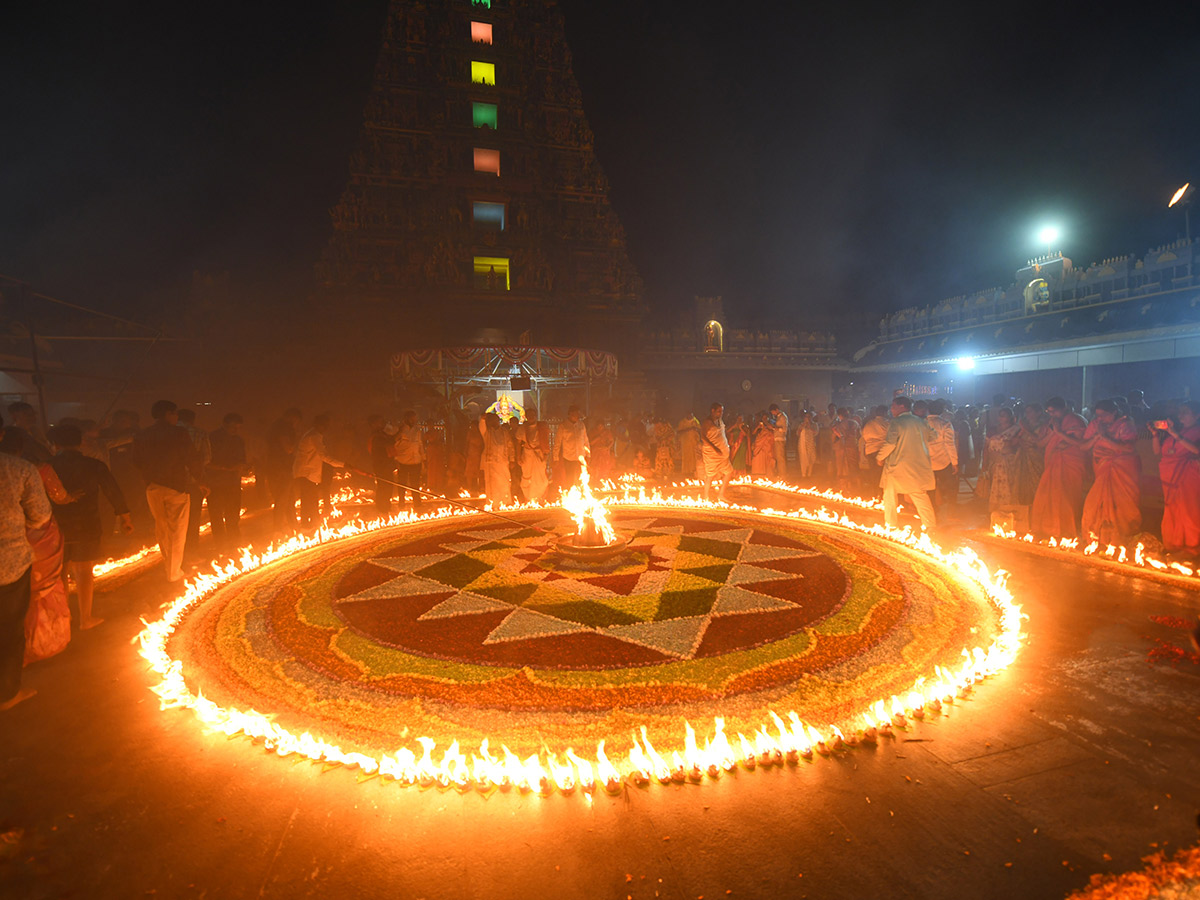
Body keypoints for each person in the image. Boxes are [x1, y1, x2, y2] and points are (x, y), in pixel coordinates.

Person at [48, 424, 133, 632]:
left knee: (61, 573)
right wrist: (125, 517)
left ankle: (63, 618)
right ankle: (85, 618)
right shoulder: (94, 464)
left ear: (55, 444)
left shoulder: (47, 466)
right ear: (80, 443)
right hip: (87, 523)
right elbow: (112, 490)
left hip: (56, 525)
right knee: (84, 571)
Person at [0, 415, 52, 711]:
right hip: (8, 564)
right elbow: (40, 515)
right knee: (7, 630)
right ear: (2, 434)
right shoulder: (18, 469)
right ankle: (7, 695)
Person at [132, 400, 198, 584]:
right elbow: (191, 457)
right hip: (175, 486)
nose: (177, 417)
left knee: (161, 528)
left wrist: (148, 477)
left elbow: (136, 461)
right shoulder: (179, 433)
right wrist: (200, 479)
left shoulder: (142, 435)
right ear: (167, 414)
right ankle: (174, 572)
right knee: (177, 530)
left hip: (153, 487)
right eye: (175, 413)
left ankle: (169, 565)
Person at [1081, 398, 1142, 544]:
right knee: (1094, 503)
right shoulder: (1096, 424)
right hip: (1102, 469)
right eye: (1098, 415)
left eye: (1103, 415)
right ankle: (1099, 537)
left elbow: (1129, 448)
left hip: (1123, 469)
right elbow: (1084, 446)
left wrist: (1104, 437)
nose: (1100, 418)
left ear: (1114, 412)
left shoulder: (1125, 424)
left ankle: (1122, 539)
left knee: (1123, 505)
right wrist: (1097, 435)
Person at [1030, 398, 1089, 539]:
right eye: (1049, 412)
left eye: (1054, 411)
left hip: (1071, 462)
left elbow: (1081, 442)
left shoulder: (1076, 420)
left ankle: (1068, 530)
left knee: (1067, 496)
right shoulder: (1051, 423)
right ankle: (1050, 528)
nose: (1052, 414)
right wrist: (1054, 432)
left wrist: (1061, 435)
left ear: (1064, 408)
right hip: (1054, 461)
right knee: (1048, 493)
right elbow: (1041, 443)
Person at [877, 396, 936, 530]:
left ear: (902, 406)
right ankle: (930, 526)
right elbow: (934, 436)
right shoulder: (921, 422)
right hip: (919, 465)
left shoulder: (897, 422)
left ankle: (891, 525)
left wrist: (880, 457)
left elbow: (890, 443)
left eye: (893, 406)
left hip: (898, 466)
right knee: (919, 495)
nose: (891, 409)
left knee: (890, 494)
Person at [1153, 402, 1200, 555]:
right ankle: (1173, 545)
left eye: (1185, 412)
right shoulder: (1176, 431)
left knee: (1189, 512)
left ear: (1197, 415)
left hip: (1189, 477)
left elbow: (1196, 451)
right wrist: (1155, 435)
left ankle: (1192, 548)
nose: (1180, 416)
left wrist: (1175, 435)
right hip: (1170, 479)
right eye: (1179, 412)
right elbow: (1157, 452)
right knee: (1172, 512)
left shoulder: (1196, 432)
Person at [293, 413, 344, 530]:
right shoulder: (313, 436)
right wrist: (343, 465)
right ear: (320, 425)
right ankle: (308, 525)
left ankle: (311, 523)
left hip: (308, 473)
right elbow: (324, 456)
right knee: (308, 500)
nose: (326, 427)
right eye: (325, 425)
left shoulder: (314, 435)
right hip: (306, 473)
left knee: (310, 499)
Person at [207, 413, 247, 553]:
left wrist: (241, 467)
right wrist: (225, 467)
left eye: (238, 428)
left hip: (233, 482)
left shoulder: (239, 440)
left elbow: (243, 459)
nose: (235, 430)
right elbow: (206, 462)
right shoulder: (212, 439)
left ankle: (234, 543)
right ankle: (221, 546)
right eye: (233, 427)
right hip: (215, 482)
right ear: (224, 424)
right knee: (217, 515)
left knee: (232, 515)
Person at [176, 409, 211, 562]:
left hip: (172, 483)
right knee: (193, 518)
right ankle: (191, 553)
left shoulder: (168, 433)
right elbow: (207, 458)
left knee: (175, 520)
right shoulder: (200, 433)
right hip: (194, 482)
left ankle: (175, 556)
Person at [984, 408, 1022, 530]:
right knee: (994, 487)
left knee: (1009, 488)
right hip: (995, 461)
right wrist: (986, 462)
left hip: (1009, 462)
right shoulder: (993, 430)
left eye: (1004, 416)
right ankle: (995, 514)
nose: (1001, 418)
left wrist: (1006, 451)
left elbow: (1017, 446)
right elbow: (986, 446)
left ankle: (1008, 514)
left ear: (1011, 417)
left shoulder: (1016, 430)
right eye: (1000, 416)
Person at [266, 408, 302, 534]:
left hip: (276, 467)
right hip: (281, 468)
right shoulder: (285, 427)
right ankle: (278, 529)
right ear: (294, 418)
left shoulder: (276, 426)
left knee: (288, 498)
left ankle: (292, 526)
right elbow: (288, 449)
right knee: (282, 499)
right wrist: (296, 438)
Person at [925, 400, 958, 512]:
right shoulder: (946, 424)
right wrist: (955, 462)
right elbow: (949, 444)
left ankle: (932, 512)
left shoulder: (920, 423)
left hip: (926, 463)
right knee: (949, 488)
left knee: (930, 490)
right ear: (942, 411)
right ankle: (951, 510)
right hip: (944, 461)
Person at [699, 402, 734, 502]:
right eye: (719, 411)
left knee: (729, 472)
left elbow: (722, 433)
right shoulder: (707, 422)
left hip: (722, 454)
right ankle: (705, 497)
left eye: (722, 411)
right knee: (710, 475)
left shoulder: (719, 420)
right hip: (712, 454)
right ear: (712, 411)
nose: (721, 413)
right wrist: (715, 449)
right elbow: (703, 437)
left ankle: (721, 495)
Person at [516, 406, 550, 503]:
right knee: (527, 476)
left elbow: (546, 442)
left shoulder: (542, 427)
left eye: (533, 415)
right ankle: (528, 498)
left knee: (541, 477)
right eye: (529, 415)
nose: (531, 417)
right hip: (527, 454)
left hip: (539, 454)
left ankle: (540, 498)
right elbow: (518, 443)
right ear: (526, 417)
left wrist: (546, 454)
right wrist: (518, 456)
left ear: (536, 416)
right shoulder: (522, 429)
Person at [394, 410, 426, 509]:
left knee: (415, 484)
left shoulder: (417, 430)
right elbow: (395, 444)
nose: (414, 420)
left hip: (416, 460)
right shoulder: (401, 429)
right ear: (407, 418)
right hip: (403, 460)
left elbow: (420, 444)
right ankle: (401, 503)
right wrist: (396, 459)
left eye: (415, 418)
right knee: (402, 483)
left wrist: (423, 458)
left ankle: (417, 504)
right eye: (412, 418)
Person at [480, 412, 513, 504]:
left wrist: (512, 459)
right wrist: (482, 420)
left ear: (498, 421)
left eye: (495, 420)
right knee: (492, 484)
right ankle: (493, 503)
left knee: (504, 482)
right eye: (491, 421)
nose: (493, 422)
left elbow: (510, 446)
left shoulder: (504, 432)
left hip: (503, 461)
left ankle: (505, 502)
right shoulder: (487, 432)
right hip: (491, 463)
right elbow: (481, 428)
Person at [556, 405, 590, 488]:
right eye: (575, 413)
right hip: (569, 457)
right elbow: (557, 442)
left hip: (581, 457)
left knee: (581, 479)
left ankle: (582, 496)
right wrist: (555, 458)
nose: (577, 415)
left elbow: (586, 440)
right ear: (570, 414)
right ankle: (570, 496)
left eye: (578, 414)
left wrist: (588, 455)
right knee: (569, 479)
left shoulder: (581, 425)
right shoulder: (563, 426)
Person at [832, 407, 861, 494]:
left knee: (843, 467)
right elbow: (859, 435)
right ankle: (857, 487)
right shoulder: (855, 423)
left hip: (842, 448)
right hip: (853, 446)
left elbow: (839, 436)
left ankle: (845, 487)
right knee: (854, 466)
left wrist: (834, 431)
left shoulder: (840, 425)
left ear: (840, 415)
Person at [750, 411, 776, 477]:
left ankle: (767, 472)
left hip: (767, 443)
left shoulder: (771, 423)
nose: (764, 419)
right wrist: (758, 427)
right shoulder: (758, 424)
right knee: (758, 456)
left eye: (766, 418)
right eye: (763, 418)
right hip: (759, 442)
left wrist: (767, 426)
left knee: (768, 457)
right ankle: (758, 471)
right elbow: (753, 433)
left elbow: (773, 430)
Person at [768, 404, 789, 480]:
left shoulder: (783, 417)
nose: (773, 414)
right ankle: (781, 474)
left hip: (780, 439)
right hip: (777, 439)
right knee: (778, 457)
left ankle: (783, 475)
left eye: (773, 412)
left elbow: (784, 429)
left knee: (781, 458)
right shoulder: (778, 417)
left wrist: (774, 428)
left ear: (776, 410)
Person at [676, 412, 700, 479]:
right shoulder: (682, 422)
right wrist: (688, 429)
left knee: (694, 457)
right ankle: (686, 472)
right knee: (686, 457)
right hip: (685, 443)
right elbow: (678, 432)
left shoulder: (695, 421)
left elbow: (700, 430)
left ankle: (693, 471)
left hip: (694, 442)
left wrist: (695, 429)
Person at [796, 411, 818, 480]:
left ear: (811, 417)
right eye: (806, 417)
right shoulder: (801, 424)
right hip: (802, 444)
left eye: (809, 417)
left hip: (811, 443)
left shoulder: (814, 424)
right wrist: (803, 426)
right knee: (803, 458)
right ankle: (804, 474)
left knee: (811, 458)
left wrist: (809, 426)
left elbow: (816, 433)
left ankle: (809, 474)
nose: (807, 418)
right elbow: (798, 433)